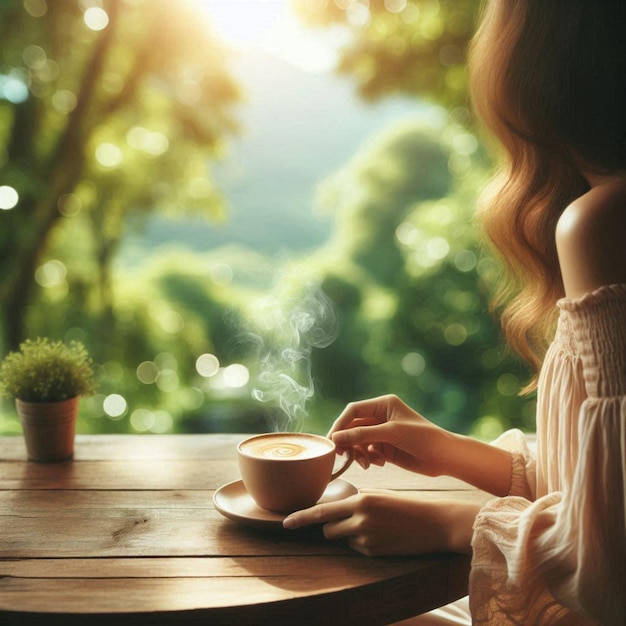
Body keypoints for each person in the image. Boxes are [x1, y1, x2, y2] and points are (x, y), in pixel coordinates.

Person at [282, 1, 626, 624]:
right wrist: (453, 452)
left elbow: (610, 568)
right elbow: (606, 488)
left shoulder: (603, 225)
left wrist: (451, 522)